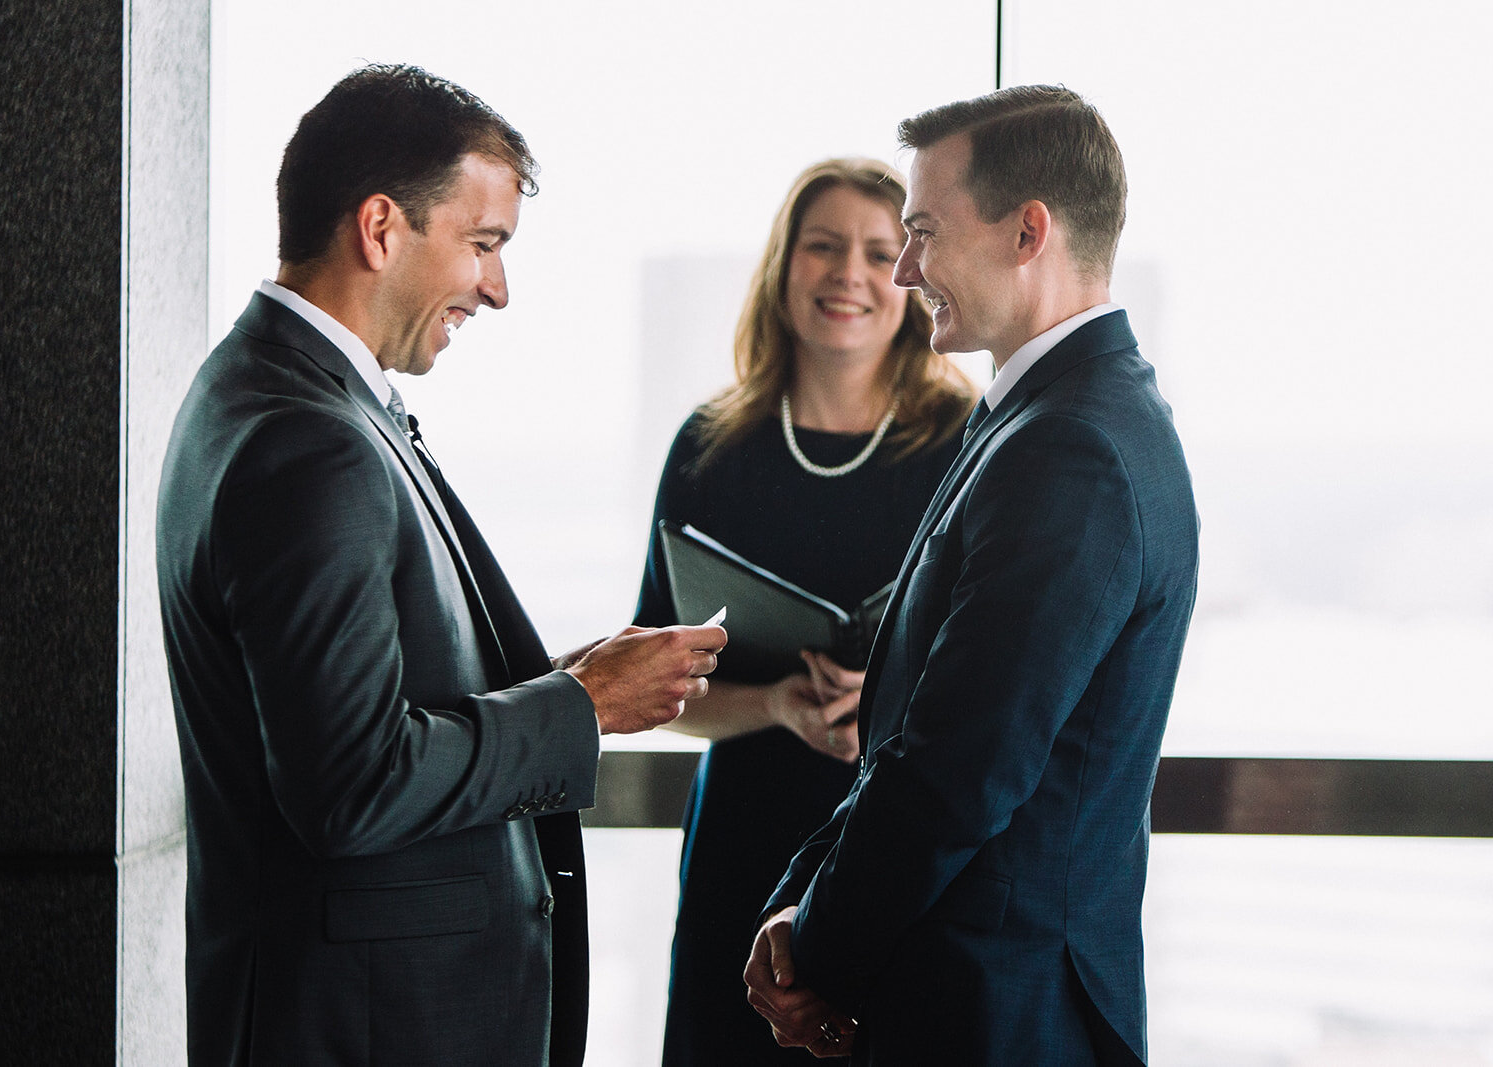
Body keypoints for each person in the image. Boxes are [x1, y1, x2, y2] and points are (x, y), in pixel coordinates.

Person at [156, 65, 725, 1067]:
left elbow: (356, 702)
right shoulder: (310, 439)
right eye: (483, 244)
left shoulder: (274, 392)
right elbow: (350, 784)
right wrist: (579, 705)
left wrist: (563, 679)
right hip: (371, 1025)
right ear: (381, 228)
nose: (497, 289)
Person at [743, 87, 1199, 1064]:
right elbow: (916, 735)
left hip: (999, 1014)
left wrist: (815, 946)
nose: (906, 270)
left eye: (921, 233)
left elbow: (961, 767)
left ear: (1027, 229)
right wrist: (801, 895)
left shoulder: (1070, 446)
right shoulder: (1050, 415)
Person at [634, 158, 977, 1065]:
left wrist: (890, 704)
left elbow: (996, 669)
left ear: (909, 275)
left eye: (878, 249)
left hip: (897, 844)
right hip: (741, 843)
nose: (849, 274)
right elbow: (659, 688)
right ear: (783, 268)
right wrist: (777, 702)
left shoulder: (963, 441)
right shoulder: (711, 446)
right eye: (822, 246)